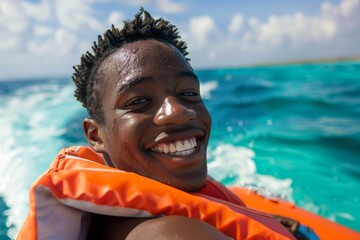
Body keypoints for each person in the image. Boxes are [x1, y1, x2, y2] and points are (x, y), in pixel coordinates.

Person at [17, 9, 295, 240]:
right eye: (138, 101)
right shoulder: (171, 234)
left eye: (188, 93)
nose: (178, 111)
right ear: (95, 135)